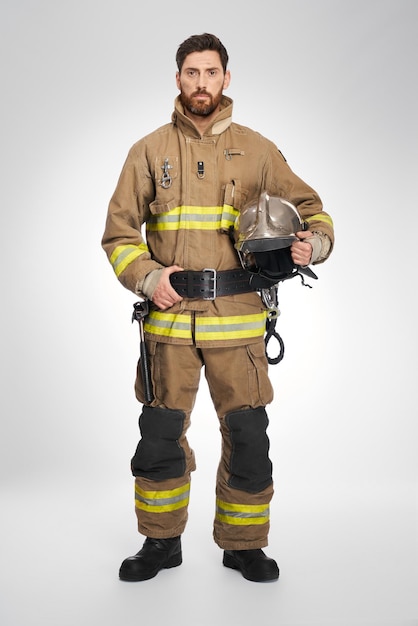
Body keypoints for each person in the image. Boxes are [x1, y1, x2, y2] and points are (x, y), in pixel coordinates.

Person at [101, 33, 334, 583]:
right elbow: (117, 235)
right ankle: (160, 544)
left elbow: (313, 212)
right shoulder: (148, 151)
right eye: (191, 72)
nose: (201, 82)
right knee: (159, 438)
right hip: (169, 321)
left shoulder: (258, 149)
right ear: (178, 79)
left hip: (241, 324)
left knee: (249, 438)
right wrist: (148, 276)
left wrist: (311, 244)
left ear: (226, 78)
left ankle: (244, 545)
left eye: (211, 72)